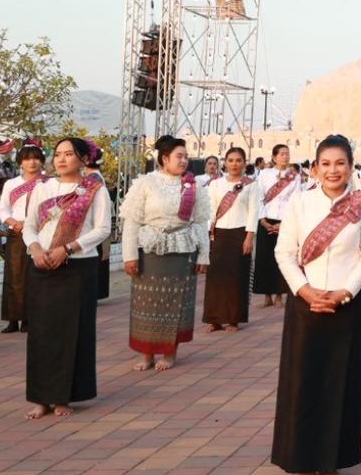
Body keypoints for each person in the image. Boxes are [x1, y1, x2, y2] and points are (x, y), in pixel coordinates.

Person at [272, 135, 361, 475]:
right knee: (302, 382)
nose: (333, 170)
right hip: (306, 303)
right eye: (326, 164)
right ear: (315, 168)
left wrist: (345, 291)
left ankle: (331, 460)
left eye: (340, 163)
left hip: (347, 304)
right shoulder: (300, 203)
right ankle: (303, 464)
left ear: (350, 167)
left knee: (341, 383)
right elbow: (284, 252)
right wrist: (304, 290)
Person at [23, 137, 111, 419]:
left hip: (77, 268)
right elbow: (29, 226)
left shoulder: (95, 190)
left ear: (83, 159)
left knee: (72, 332)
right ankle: (41, 397)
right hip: (42, 265)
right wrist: (36, 249)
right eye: (58, 154)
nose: (61, 159)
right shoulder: (42, 188)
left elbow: (102, 229)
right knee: (41, 334)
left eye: (69, 154)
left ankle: (64, 396)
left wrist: (69, 248)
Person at [121, 136, 211, 373]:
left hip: (182, 251)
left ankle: (170, 353)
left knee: (176, 303)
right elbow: (132, 221)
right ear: (164, 159)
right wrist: (129, 255)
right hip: (151, 251)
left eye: (186, 156)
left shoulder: (194, 185)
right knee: (147, 304)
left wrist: (204, 255)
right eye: (179, 156)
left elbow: (201, 222)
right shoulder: (146, 183)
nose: (184, 161)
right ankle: (146, 354)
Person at [203, 147, 260, 332]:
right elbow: (210, 210)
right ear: (225, 163)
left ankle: (233, 319)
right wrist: (208, 233)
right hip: (218, 234)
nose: (234, 164)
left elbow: (253, 212)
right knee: (216, 277)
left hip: (240, 233)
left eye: (238, 160)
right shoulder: (216, 184)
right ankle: (214, 319)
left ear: (244, 163)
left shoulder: (251, 185)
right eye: (231, 160)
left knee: (237, 277)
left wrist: (249, 237)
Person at [0, 144, 46, 333]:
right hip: (17, 233)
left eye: (35, 158)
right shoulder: (11, 184)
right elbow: (3, 209)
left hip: (39, 234)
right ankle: (12, 319)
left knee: (33, 275)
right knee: (14, 276)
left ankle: (28, 318)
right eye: (27, 159)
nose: (31, 162)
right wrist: (13, 223)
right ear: (20, 162)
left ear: (41, 161)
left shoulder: (48, 183)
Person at [255, 146, 302, 308]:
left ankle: (280, 294)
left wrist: (285, 223)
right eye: (282, 154)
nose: (285, 157)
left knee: (282, 258)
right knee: (265, 258)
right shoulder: (264, 174)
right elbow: (259, 197)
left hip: (285, 221)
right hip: (266, 219)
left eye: (287, 154)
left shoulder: (294, 176)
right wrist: (262, 219)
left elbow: (296, 200)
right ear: (274, 157)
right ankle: (267, 295)